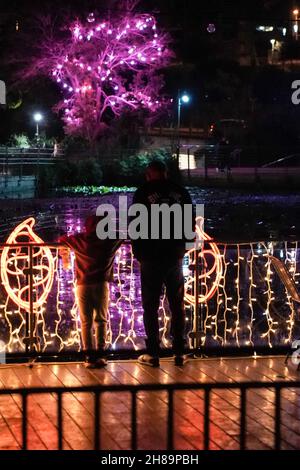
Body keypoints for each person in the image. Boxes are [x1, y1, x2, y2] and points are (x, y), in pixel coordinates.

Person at [131, 160, 195, 367]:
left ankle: (153, 352)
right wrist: (183, 248)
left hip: (150, 256)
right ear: (165, 173)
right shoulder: (180, 192)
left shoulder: (142, 193)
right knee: (177, 304)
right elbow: (190, 221)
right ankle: (179, 350)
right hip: (174, 255)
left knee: (150, 306)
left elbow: (135, 225)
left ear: (149, 174)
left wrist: (138, 252)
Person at [59, 215, 121, 368]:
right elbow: (125, 235)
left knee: (85, 321)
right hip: (101, 285)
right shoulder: (110, 240)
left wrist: (65, 257)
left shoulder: (80, 240)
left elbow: (61, 239)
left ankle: (88, 356)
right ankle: (101, 354)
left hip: (83, 284)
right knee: (101, 319)